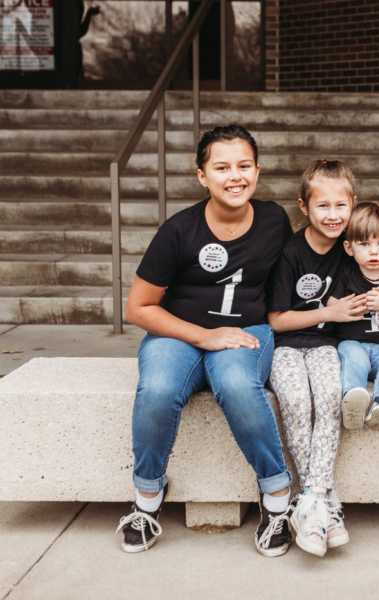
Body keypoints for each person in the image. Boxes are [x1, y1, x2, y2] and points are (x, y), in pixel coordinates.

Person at [118, 124, 294, 557]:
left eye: (244, 166)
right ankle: (146, 499)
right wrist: (204, 336)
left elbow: (292, 278)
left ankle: (276, 497)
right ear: (202, 176)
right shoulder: (179, 230)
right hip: (179, 333)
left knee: (236, 385)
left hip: (247, 329)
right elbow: (138, 308)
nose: (235, 176)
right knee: (157, 390)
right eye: (222, 167)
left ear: (258, 170)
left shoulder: (274, 220)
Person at [267, 161, 379, 558]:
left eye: (340, 206)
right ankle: (321, 500)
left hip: (331, 347)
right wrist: (327, 314)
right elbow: (276, 320)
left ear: (352, 204)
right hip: (288, 346)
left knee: (331, 401)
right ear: (304, 207)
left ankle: (311, 501)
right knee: (298, 403)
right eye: (323, 207)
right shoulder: (291, 252)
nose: (333, 216)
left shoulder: (355, 249)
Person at [332, 202, 379, 431]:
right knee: (356, 358)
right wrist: (349, 306)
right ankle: (353, 398)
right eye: (364, 244)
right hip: (352, 342)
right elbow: (330, 302)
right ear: (349, 248)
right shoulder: (346, 273)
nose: (373, 251)